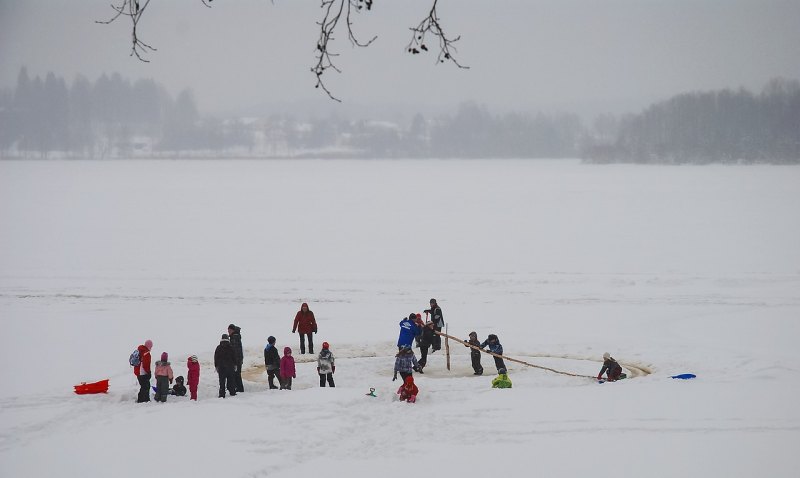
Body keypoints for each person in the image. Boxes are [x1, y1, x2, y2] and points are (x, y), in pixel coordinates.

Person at [214, 334, 237, 398]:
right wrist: (235, 364)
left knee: (222, 381)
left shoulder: (218, 347)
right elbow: (234, 357)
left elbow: (216, 357)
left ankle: (222, 394)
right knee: (231, 380)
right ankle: (232, 392)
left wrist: (216, 366)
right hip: (230, 367)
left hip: (221, 367)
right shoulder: (231, 347)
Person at [228, 324, 244, 393]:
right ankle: (238, 387)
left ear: (233, 330)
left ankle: (239, 388)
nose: (228, 332)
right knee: (237, 374)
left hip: (236, 360)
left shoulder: (234, 338)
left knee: (236, 374)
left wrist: (234, 361)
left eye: (229, 330)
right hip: (238, 359)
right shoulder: (235, 337)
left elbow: (235, 350)